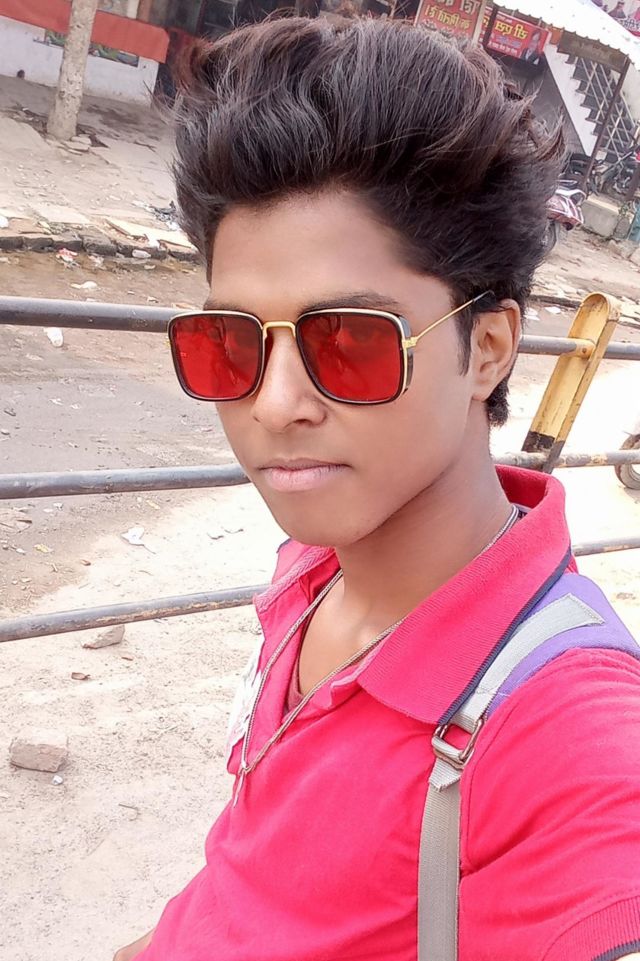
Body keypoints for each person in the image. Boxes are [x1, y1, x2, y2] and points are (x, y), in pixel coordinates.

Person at [114, 18, 640, 961]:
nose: (274, 403)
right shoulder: (313, 566)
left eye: (351, 340)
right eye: (230, 342)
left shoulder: (570, 735)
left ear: (489, 348)